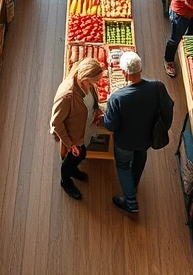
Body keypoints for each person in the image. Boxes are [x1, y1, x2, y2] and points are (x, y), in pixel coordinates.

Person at [103, 51, 174, 214]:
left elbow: (111, 126)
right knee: (140, 157)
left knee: (122, 166)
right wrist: (164, 128)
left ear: (123, 73)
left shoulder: (117, 98)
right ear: (141, 69)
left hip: (125, 142)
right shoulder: (158, 87)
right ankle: (133, 184)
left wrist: (104, 117)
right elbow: (168, 107)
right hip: (147, 138)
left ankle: (130, 202)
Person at [50, 58, 104, 201]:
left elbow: (92, 97)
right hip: (73, 135)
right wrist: (70, 144)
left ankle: (73, 170)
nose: (96, 84)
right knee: (75, 156)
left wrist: (96, 109)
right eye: (94, 81)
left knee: (81, 154)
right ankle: (65, 180)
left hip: (82, 129)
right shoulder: (67, 95)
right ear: (86, 78)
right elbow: (56, 122)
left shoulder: (85, 84)